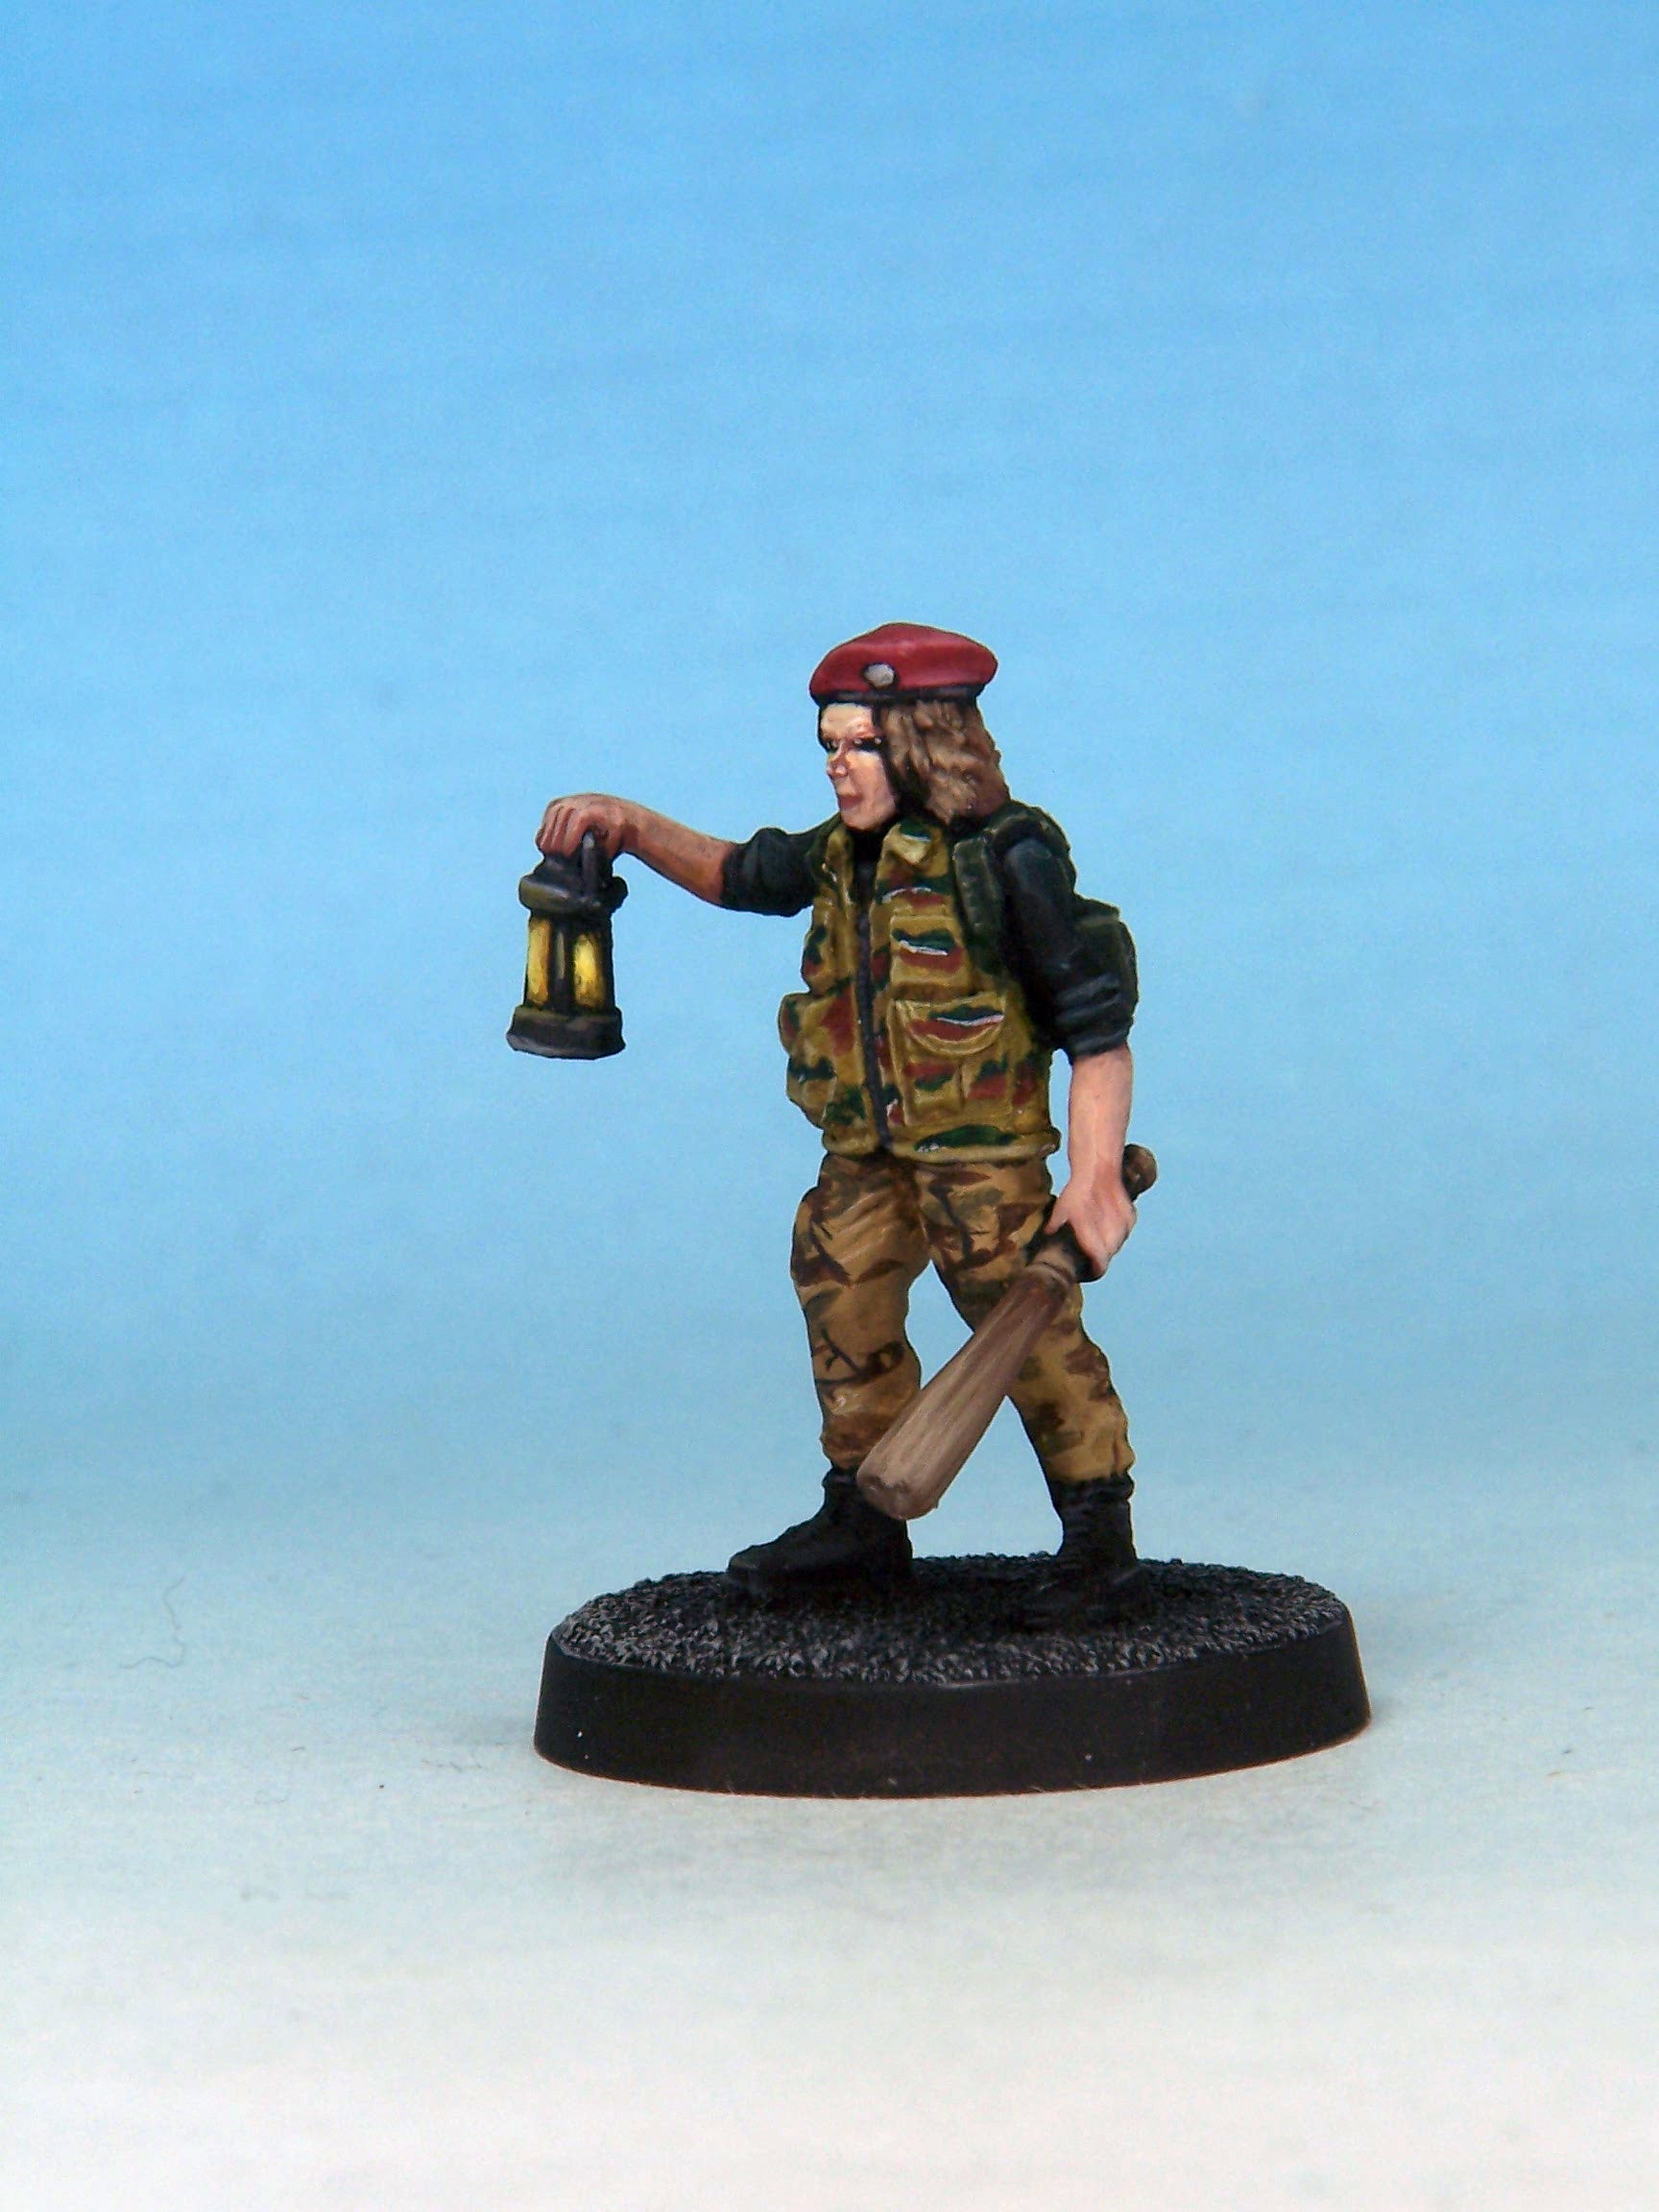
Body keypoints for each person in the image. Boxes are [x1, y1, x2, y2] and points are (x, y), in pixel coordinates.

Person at [538, 623, 1144, 1624]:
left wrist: (1093, 1174)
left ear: (925, 744)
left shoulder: (1006, 858)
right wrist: (630, 826)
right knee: (843, 1299)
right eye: (830, 745)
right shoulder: (833, 859)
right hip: (864, 1151)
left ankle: (1097, 1533)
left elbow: (1096, 1028)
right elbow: (736, 873)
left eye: (862, 745)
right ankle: (861, 1523)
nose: (839, 766)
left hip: (981, 1157)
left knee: (1025, 1330)